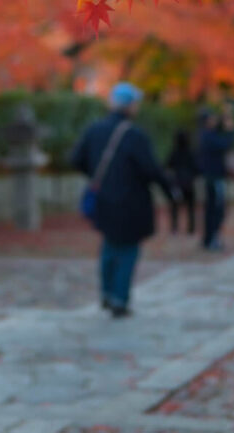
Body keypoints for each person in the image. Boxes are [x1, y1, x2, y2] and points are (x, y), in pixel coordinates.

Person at [69, 81, 174, 318]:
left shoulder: (94, 129)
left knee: (109, 244)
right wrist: (171, 191)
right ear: (130, 106)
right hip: (131, 202)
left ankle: (107, 292)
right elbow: (151, 169)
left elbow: (76, 159)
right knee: (127, 249)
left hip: (103, 200)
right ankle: (119, 298)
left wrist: (96, 176)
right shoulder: (134, 135)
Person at [196, 107, 234, 252]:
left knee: (212, 209)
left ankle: (209, 238)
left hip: (212, 177)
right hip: (215, 178)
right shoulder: (208, 136)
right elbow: (226, 143)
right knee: (216, 209)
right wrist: (231, 130)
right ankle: (212, 239)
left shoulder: (205, 135)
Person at [164, 128, 198, 235]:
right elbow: (197, 168)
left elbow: (167, 165)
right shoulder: (191, 152)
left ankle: (174, 227)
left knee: (174, 207)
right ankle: (191, 228)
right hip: (189, 184)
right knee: (190, 207)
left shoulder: (174, 152)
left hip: (177, 184)